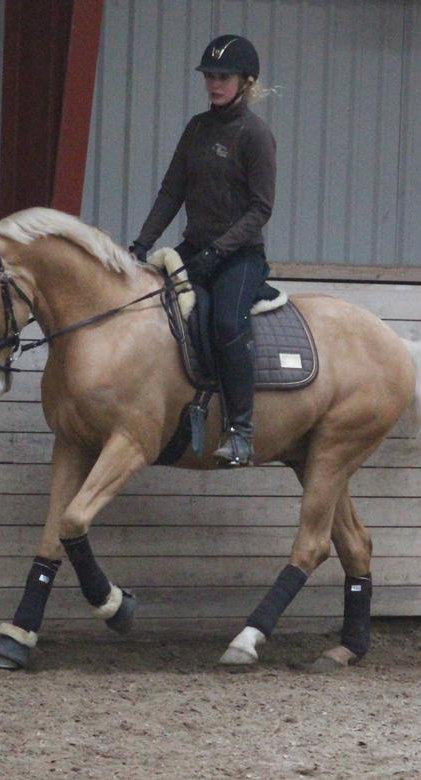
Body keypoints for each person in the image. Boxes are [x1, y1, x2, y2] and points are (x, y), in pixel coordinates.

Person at [129, 34, 277, 467]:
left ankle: (241, 431)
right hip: (194, 250)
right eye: (209, 76)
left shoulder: (255, 135)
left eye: (222, 77)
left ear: (245, 82)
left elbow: (260, 208)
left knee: (226, 323)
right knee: (163, 311)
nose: (214, 84)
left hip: (240, 257)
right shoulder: (196, 128)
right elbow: (172, 190)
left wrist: (221, 249)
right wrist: (141, 244)